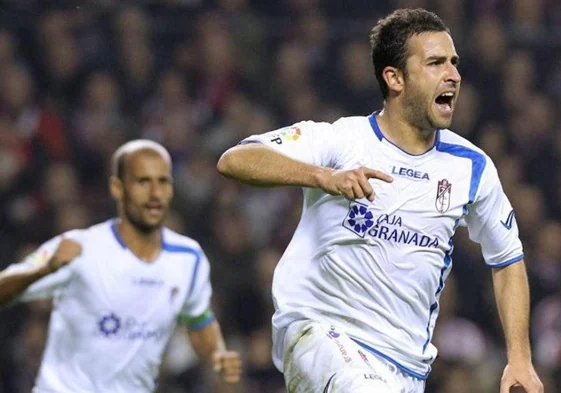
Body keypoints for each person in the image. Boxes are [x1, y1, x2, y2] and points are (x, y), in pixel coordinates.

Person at [217, 8, 543, 393]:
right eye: (436, 63)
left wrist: (519, 358)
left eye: (454, 62)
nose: (453, 74)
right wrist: (323, 177)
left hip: (406, 364)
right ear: (395, 78)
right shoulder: (342, 140)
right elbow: (235, 159)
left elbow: (507, 260)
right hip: (322, 332)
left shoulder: (471, 168)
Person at [0, 139, 242, 392]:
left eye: (162, 181)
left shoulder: (189, 258)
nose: (155, 193)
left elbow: (199, 321)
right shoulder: (79, 247)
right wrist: (41, 270)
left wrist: (217, 354)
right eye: (143, 182)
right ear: (117, 188)